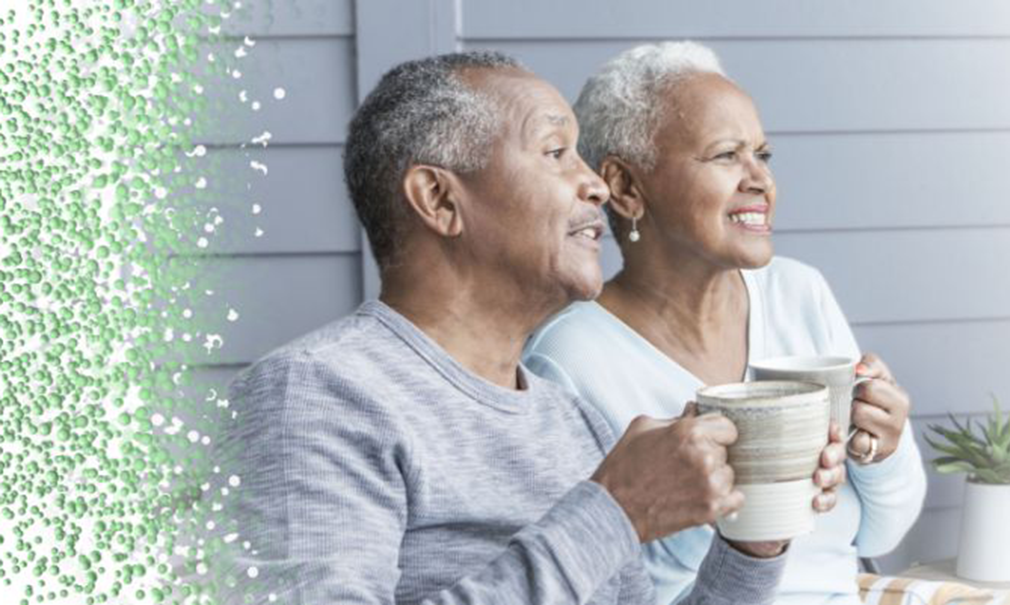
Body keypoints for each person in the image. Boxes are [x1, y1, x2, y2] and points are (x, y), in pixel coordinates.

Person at [217, 50, 849, 605]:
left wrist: (753, 548)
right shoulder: (316, 394)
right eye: (554, 152)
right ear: (439, 200)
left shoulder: (570, 420)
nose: (597, 183)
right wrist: (615, 511)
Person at [523, 42, 927, 605]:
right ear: (626, 187)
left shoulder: (798, 293)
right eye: (725, 155)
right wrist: (720, 506)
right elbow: (595, 589)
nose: (759, 179)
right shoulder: (567, 361)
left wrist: (884, 449)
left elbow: (878, 535)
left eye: (763, 155)